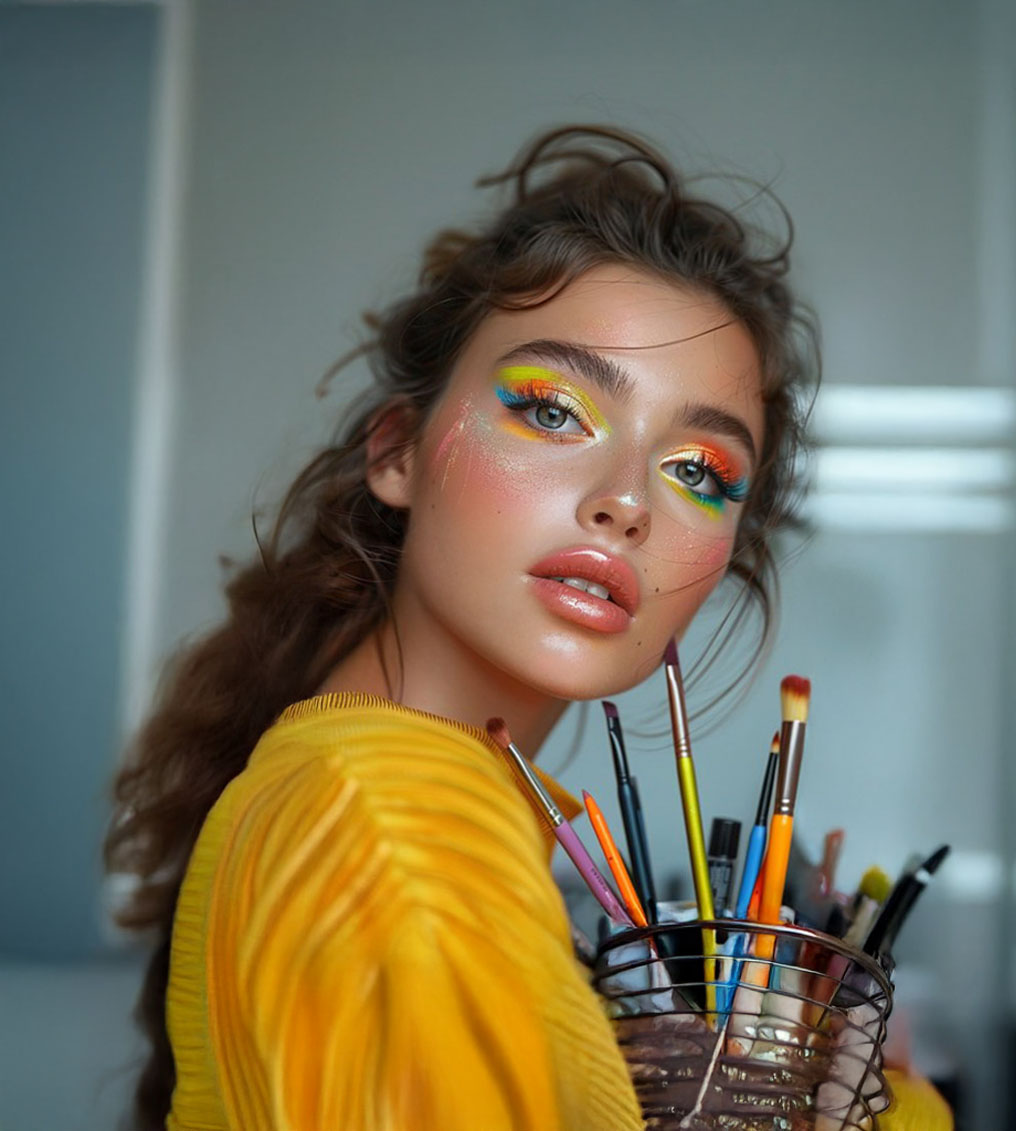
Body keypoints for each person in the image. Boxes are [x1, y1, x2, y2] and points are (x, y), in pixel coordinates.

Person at [105, 125, 950, 1130]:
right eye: (552, 411)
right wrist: (893, 1111)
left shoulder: (411, 802)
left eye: (697, 472)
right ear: (398, 453)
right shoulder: (396, 831)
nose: (624, 502)